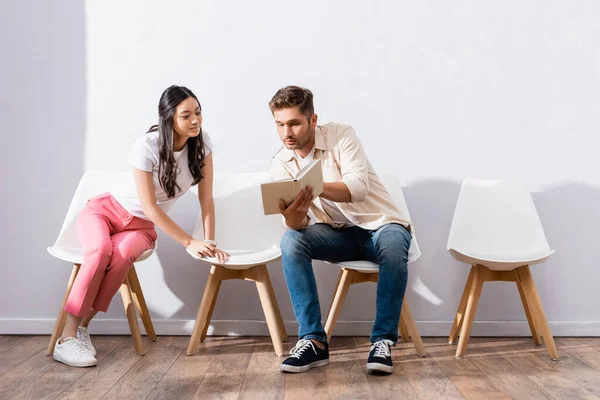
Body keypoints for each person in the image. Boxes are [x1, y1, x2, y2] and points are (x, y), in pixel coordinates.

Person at [53, 85, 229, 367]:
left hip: (140, 228)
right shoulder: (146, 146)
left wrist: (209, 240)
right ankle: (67, 338)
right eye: (186, 115)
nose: (195, 120)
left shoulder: (202, 144)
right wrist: (188, 241)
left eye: (198, 112)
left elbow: (206, 199)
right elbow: (150, 206)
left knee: (121, 257)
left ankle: (82, 329)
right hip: (105, 212)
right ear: (169, 117)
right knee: (100, 252)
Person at [269, 86, 413, 375]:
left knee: (395, 244)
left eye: (295, 123)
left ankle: (382, 341)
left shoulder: (341, 135)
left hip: (379, 225)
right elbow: (299, 226)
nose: (288, 133)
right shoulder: (281, 163)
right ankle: (313, 341)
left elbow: (357, 189)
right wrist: (291, 218)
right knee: (291, 241)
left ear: (312, 120)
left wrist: (312, 188)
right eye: (280, 124)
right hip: (337, 235)